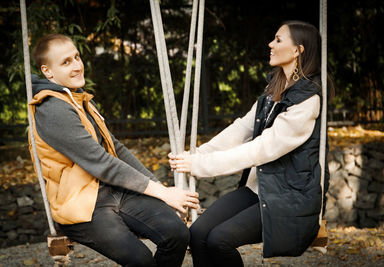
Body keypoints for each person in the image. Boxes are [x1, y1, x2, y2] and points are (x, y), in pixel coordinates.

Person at [169, 20, 332, 266]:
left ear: (298, 50)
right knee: (198, 233)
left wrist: (200, 166)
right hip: (260, 188)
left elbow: (261, 149)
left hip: (288, 197)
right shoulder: (274, 88)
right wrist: (195, 155)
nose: (270, 44)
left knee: (218, 241)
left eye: (278, 40)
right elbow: (241, 129)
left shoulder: (308, 99)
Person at [28, 33, 199, 267]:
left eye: (77, 57)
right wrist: (163, 194)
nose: (78, 66)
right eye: (66, 62)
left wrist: (159, 187)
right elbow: (101, 162)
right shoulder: (52, 110)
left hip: (113, 192)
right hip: (81, 206)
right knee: (140, 260)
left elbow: (115, 149)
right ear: (47, 72)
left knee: (177, 234)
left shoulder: (81, 101)